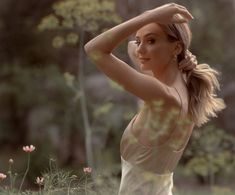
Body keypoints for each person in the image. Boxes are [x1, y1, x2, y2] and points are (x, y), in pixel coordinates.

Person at [84, 3, 226, 195]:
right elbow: (131, 47)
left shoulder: (163, 95)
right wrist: (175, 49)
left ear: (176, 47)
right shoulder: (182, 86)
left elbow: (94, 49)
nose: (141, 49)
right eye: (140, 40)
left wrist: (149, 15)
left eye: (151, 41)